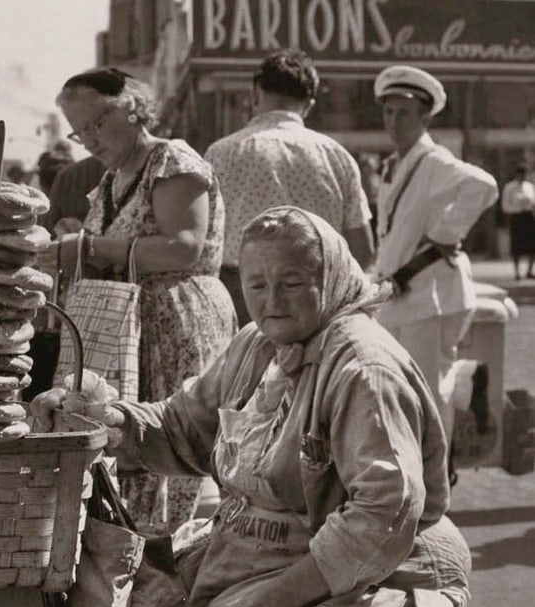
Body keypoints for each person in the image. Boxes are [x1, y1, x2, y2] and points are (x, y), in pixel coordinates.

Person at [34, 207, 469, 607]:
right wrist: (109, 421)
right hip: (252, 557)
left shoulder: (364, 368)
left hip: (366, 570)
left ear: (332, 278)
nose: (271, 300)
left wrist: (281, 599)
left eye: (292, 283)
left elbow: (386, 510)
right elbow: (184, 427)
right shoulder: (257, 345)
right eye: (257, 284)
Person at [51, 68, 235, 532]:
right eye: (79, 132)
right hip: (132, 327)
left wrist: (90, 248)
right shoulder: (113, 178)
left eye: (97, 123)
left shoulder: (172, 160)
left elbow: (183, 247)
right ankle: (141, 554)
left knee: (168, 448)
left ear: (131, 107)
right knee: (129, 451)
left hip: (176, 322)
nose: (90, 140)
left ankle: (166, 555)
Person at [373, 65, 498, 449]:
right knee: (396, 384)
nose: (394, 121)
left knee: (427, 394)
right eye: (389, 112)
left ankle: (435, 476)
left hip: (431, 294)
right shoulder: (394, 164)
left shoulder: (434, 160)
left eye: (404, 113)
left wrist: (445, 232)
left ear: (425, 118)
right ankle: (466, 378)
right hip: (400, 294)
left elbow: (484, 186)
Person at [205, 49, 374, 324]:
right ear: (309, 103)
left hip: (242, 299)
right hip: (315, 299)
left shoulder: (221, 154)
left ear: (255, 92)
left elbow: (204, 245)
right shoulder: (336, 156)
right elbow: (363, 250)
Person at [501, 162, 535, 280]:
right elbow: (505, 207)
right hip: (517, 218)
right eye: (521, 175)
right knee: (517, 246)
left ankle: (529, 270)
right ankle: (517, 272)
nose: (523, 177)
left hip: (529, 218)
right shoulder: (509, 188)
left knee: (532, 245)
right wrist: (519, 208)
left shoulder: (530, 187)